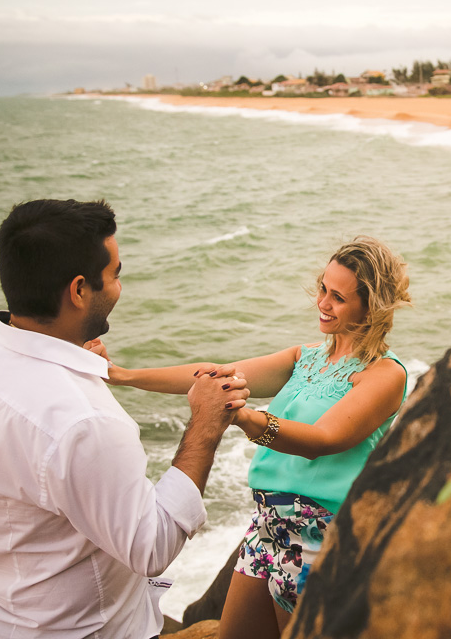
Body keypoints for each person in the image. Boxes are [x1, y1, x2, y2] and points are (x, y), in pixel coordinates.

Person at [0, 199, 249, 639]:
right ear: (78, 290)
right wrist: (205, 426)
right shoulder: (84, 420)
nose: (117, 287)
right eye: (114, 275)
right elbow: (150, 547)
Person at [92, 236, 411, 637]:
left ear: (372, 306)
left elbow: (322, 440)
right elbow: (215, 373)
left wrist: (245, 417)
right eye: (322, 289)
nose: (323, 304)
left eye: (338, 298)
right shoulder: (304, 357)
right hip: (266, 525)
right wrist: (120, 375)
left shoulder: (385, 373)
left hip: (320, 539)